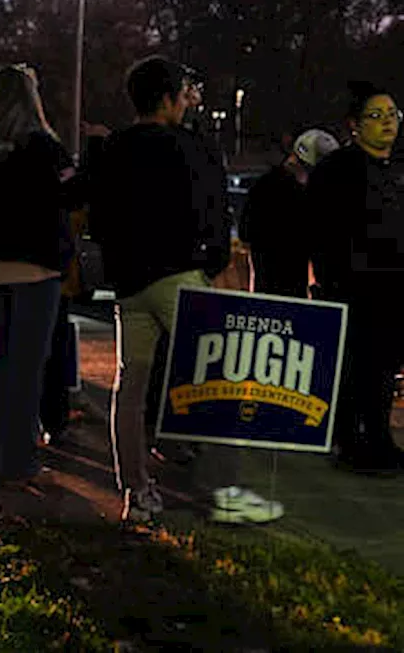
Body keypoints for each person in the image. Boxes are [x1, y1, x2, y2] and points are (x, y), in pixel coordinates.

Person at [92, 56, 283, 525]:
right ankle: (228, 491)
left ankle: (135, 492)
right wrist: (214, 263)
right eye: (183, 92)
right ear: (167, 97)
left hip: (130, 286)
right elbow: (214, 210)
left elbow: (97, 214)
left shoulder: (115, 147)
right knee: (217, 383)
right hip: (181, 279)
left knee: (130, 389)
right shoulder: (191, 147)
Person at [0, 66, 73, 481]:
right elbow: (71, 195)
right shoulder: (42, 146)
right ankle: (20, 460)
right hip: (36, 265)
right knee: (27, 367)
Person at [307, 81, 404, 473]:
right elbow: (320, 230)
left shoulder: (396, 169)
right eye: (376, 116)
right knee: (354, 369)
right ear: (354, 125)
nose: (387, 123)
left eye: (392, 115)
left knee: (383, 368)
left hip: (394, 287)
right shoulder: (336, 171)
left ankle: (379, 438)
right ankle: (350, 443)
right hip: (352, 287)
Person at [240, 128, 339, 298]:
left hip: (264, 295)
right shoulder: (305, 198)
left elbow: (245, 234)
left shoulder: (263, 186)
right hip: (290, 295)